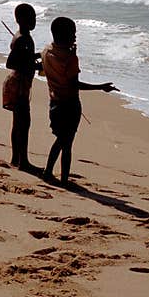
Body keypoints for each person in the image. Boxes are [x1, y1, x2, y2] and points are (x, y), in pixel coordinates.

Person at [41, 16, 117, 186]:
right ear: (65, 36)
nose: (75, 37)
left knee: (60, 140)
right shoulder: (70, 58)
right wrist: (100, 87)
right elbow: (74, 84)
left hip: (54, 103)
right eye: (73, 34)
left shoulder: (46, 51)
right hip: (70, 105)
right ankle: (64, 180)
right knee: (67, 144)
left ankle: (48, 171)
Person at [3, 3, 41, 171]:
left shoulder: (23, 36)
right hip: (19, 85)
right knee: (23, 123)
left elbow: (23, 57)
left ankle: (16, 158)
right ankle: (23, 161)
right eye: (30, 18)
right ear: (19, 20)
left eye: (34, 18)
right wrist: (36, 66)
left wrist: (39, 56)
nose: (33, 21)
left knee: (18, 122)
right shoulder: (22, 38)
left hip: (20, 84)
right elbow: (11, 62)